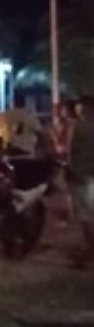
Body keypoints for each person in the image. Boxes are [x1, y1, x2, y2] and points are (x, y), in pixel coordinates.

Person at [66, 98, 94, 267]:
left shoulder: (76, 127)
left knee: (86, 216)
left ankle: (90, 251)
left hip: (81, 175)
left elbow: (69, 152)